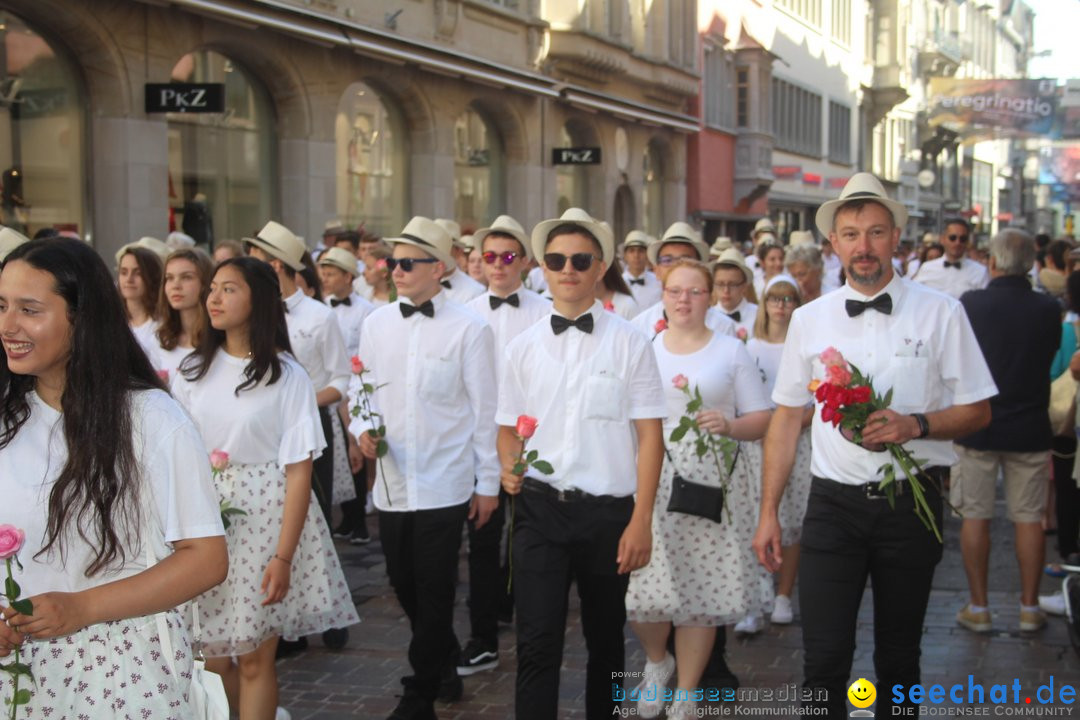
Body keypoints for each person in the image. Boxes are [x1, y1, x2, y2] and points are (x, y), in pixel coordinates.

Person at [752, 173, 997, 719]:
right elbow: (787, 419)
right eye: (851, 234)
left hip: (910, 504)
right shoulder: (810, 319)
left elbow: (980, 410)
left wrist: (918, 424)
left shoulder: (942, 313)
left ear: (895, 239)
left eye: (876, 232)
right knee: (823, 660)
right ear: (833, 244)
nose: (863, 247)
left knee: (900, 659)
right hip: (832, 507)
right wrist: (768, 512)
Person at [0, 237, 228, 716]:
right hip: (17, 680)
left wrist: (81, 607)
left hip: (118, 675)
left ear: (81, 319)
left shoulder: (151, 419)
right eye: (1, 306)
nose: (8, 326)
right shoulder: (8, 419)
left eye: (29, 309)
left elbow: (205, 558)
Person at [497, 207, 666, 720]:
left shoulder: (633, 342)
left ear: (599, 268)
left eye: (579, 259)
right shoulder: (521, 347)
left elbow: (651, 436)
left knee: (607, 645)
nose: (567, 268)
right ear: (541, 269)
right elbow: (508, 428)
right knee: (536, 642)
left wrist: (641, 520)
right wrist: (510, 466)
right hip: (540, 509)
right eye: (555, 259)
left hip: (609, 515)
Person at [173, 256, 359, 720]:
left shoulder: (286, 375)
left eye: (228, 289)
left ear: (257, 299)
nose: (214, 298)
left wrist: (283, 556)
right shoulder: (192, 370)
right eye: (212, 288)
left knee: (255, 657)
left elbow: (298, 473)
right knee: (212, 658)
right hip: (204, 517)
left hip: (266, 516)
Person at [352, 216, 499, 720]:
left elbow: (484, 412)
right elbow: (360, 392)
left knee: (435, 584)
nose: (396, 270)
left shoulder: (471, 328)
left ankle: (419, 694)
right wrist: (360, 429)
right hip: (393, 483)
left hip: (446, 480)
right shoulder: (375, 325)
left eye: (408, 263)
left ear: (439, 268)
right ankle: (442, 662)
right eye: (392, 261)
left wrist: (488, 485)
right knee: (402, 581)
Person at [625, 259, 770, 720]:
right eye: (674, 291)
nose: (684, 300)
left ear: (711, 298)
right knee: (643, 594)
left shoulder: (730, 351)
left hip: (711, 485)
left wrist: (729, 424)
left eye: (695, 291)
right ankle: (656, 662)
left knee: (700, 595)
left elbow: (762, 419)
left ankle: (686, 691)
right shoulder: (643, 347)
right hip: (651, 483)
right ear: (662, 296)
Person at [951, 229, 1061, 634]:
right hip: (1030, 423)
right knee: (1028, 519)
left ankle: (978, 607)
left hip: (978, 424)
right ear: (1030, 263)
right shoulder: (1048, 308)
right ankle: (1029, 607)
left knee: (975, 516)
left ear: (992, 262)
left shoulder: (972, 304)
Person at [460, 215, 551, 677]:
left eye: (507, 256)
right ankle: (483, 638)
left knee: (525, 541)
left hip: (527, 439)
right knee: (481, 539)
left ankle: (517, 611)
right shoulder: (467, 312)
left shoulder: (544, 311)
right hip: (477, 440)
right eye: (489, 257)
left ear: (526, 263)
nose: (497, 265)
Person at [245, 222, 351, 529]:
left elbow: (341, 379)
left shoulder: (320, 315)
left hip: (311, 427)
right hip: (261, 430)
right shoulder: (250, 314)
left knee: (314, 515)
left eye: (255, 263)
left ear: (275, 266)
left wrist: (303, 402)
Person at [746, 275, 812, 628]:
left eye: (789, 299)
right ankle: (757, 595)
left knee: (792, 520)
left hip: (797, 442)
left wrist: (788, 425)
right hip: (757, 444)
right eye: (775, 298)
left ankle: (784, 594)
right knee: (759, 514)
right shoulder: (751, 347)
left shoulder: (804, 347)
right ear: (765, 303)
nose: (781, 306)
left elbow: (817, 401)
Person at [318, 247, 377, 545]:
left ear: (348, 276)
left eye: (331, 273)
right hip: (329, 386)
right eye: (323, 273)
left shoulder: (366, 310)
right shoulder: (322, 307)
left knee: (353, 448)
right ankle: (344, 517)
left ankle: (358, 520)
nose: (325, 279)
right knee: (335, 452)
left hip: (354, 388)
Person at [631, 223, 736, 337]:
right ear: (656, 271)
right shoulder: (639, 326)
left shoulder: (722, 327)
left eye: (685, 259)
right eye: (667, 260)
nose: (676, 266)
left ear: (700, 269)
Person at [150, 247, 213, 382]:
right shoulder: (160, 338)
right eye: (169, 278)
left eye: (186, 277)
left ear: (205, 284)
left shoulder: (218, 340)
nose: (176, 286)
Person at [912, 218, 989, 299]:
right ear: (943, 239)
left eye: (962, 239)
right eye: (952, 238)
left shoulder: (980, 271)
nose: (957, 242)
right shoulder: (927, 268)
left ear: (967, 242)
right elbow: (915, 296)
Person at [116, 243, 165, 358]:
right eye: (124, 272)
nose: (129, 279)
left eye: (137, 273)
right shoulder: (112, 322)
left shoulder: (162, 326)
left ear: (152, 277)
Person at [434, 218, 486, 303]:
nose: (436, 253)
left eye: (443, 247)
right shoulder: (416, 284)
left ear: (458, 251)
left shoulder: (475, 291)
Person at [712, 247, 758, 337]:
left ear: (744, 286)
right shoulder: (706, 317)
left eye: (733, 285)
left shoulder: (758, 316)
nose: (726, 291)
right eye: (720, 284)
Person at [622, 230, 662, 308]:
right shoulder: (618, 283)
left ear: (647, 255)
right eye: (631, 251)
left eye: (640, 251)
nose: (636, 255)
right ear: (625, 255)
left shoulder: (658, 283)